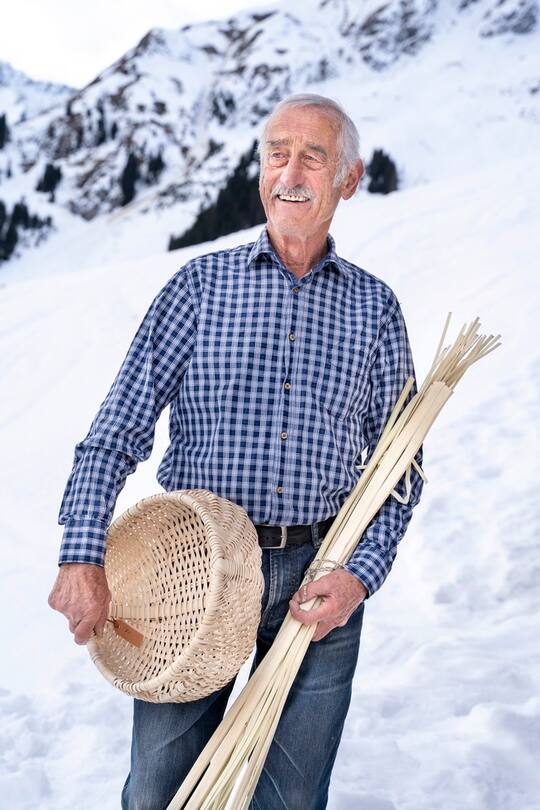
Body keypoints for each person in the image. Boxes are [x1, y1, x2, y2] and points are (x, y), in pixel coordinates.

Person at [48, 93, 424, 809]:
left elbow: (400, 467)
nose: (290, 170)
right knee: (162, 792)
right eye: (277, 152)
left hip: (321, 577)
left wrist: (359, 577)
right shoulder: (197, 289)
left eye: (313, 155)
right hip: (193, 577)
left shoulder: (375, 310)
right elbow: (115, 429)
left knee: (289, 798)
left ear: (348, 178)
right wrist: (79, 552)